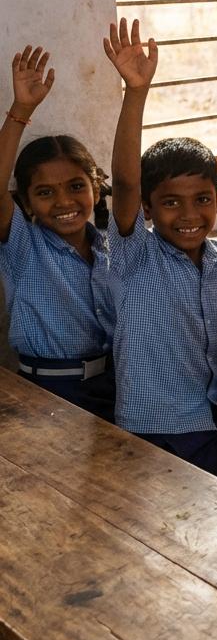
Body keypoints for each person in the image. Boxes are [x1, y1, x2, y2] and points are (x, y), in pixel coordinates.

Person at [104, 18, 217, 484]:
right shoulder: (135, 258)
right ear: (148, 209)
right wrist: (136, 91)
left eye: (201, 200)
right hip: (157, 431)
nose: (188, 214)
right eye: (170, 203)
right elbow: (127, 180)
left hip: (213, 416)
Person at [0, 45, 116, 420]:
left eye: (76, 186)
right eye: (45, 193)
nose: (64, 201)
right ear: (28, 203)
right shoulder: (24, 247)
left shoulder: (110, 247)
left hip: (114, 385)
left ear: (95, 189)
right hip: (47, 394)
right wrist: (21, 111)